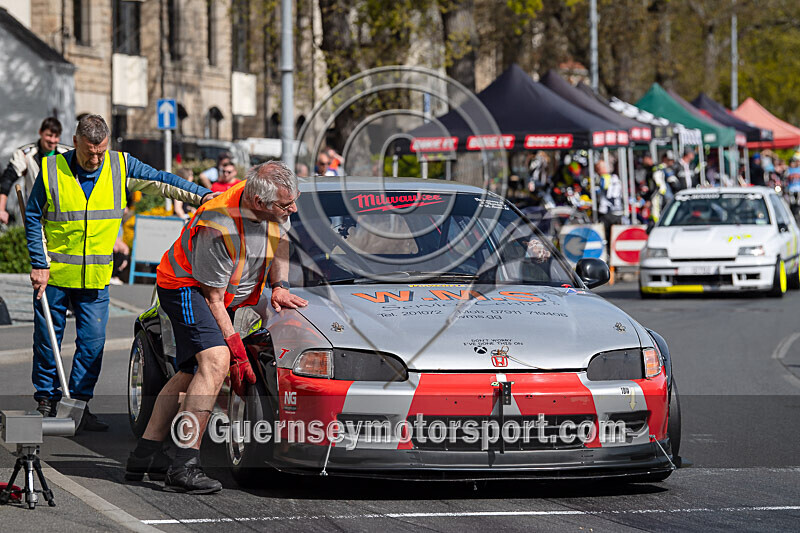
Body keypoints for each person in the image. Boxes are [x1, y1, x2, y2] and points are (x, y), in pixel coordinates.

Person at [125, 161, 308, 493]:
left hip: (217, 293)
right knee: (215, 361)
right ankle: (183, 466)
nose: (292, 209)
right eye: (285, 205)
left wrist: (280, 285)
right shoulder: (218, 224)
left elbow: (280, 242)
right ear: (259, 202)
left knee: (187, 373)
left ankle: (144, 456)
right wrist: (235, 351)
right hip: (185, 286)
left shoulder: (276, 205)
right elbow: (212, 298)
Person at [24, 114, 214, 430]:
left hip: (96, 278)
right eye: (89, 152)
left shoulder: (119, 165)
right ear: (74, 143)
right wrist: (39, 263)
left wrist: (202, 195)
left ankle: (78, 407)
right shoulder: (51, 171)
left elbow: (164, 181)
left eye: (101, 151)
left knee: (93, 344)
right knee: (47, 341)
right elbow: (32, 218)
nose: (95, 159)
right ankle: (46, 401)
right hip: (54, 275)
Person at [0, 117, 72, 225]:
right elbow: (7, 180)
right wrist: (1, 209)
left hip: (64, 214)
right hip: (37, 215)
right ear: (40, 133)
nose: (52, 140)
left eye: (56, 136)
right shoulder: (25, 153)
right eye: (49, 135)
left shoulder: (68, 153)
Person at [595, 160, 624, 248]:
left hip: (608, 211)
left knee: (606, 234)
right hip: (618, 210)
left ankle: (608, 252)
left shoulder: (605, 178)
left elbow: (603, 191)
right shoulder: (616, 177)